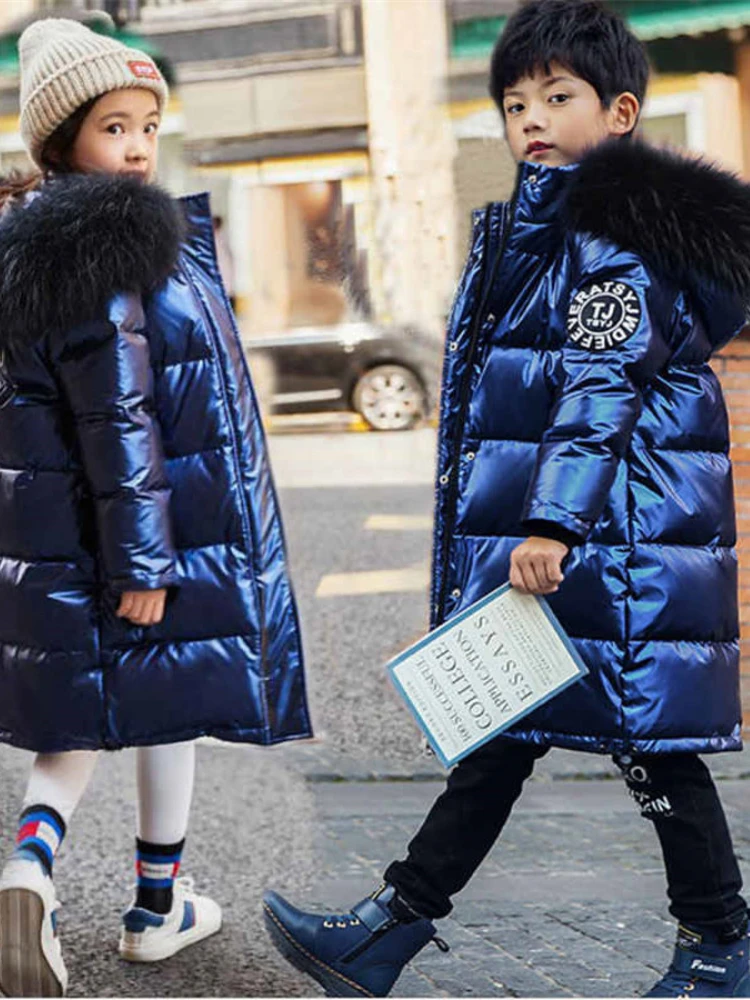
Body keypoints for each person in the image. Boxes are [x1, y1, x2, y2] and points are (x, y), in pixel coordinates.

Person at [262, 1, 750, 996]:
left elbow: (600, 383)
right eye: (516, 101)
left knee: (649, 752)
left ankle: (720, 941)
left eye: (557, 97)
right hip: (584, 544)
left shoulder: (614, 234)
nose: (532, 117)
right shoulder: (550, 229)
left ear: (619, 112)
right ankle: (389, 927)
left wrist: (550, 521)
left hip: (613, 543)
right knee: (506, 736)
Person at [0, 17, 311, 998]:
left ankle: (78, 880)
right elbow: (119, 416)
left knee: (98, 716)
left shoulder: (34, 241)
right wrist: (143, 561)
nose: (138, 147)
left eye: (147, 125)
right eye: (113, 128)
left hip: (56, 538)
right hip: (126, 539)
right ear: (62, 143)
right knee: (154, 706)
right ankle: (106, 892)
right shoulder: (107, 247)